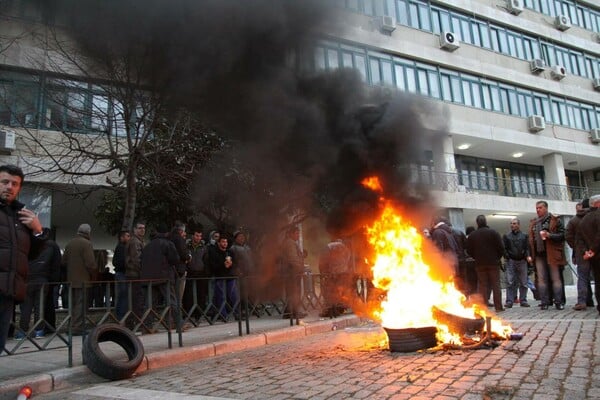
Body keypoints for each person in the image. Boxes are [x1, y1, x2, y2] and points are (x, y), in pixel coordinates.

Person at [0, 164, 48, 351]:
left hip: (8, 292)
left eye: (15, 184)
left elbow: (30, 255)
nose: (9, 187)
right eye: (5, 182)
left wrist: (37, 230)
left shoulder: (20, 217)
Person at [16, 239, 61, 339]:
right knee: (39, 306)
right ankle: (39, 330)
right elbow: (55, 265)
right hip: (42, 279)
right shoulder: (51, 246)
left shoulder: (26, 244)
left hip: (28, 279)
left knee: (26, 307)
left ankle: (22, 331)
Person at [526, 200, 567, 310]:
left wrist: (550, 235)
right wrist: (530, 254)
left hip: (552, 253)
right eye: (537, 208)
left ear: (546, 208)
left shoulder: (554, 220)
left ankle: (558, 301)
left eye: (540, 207)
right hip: (539, 255)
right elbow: (530, 240)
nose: (538, 210)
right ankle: (544, 302)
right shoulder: (534, 223)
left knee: (556, 279)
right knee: (541, 279)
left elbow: (563, 235)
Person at [140, 223, 180, 331]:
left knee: (150, 304)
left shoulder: (148, 245)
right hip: (164, 276)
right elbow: (175, 259)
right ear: (167, 233)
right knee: (171, 301)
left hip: (149, 278)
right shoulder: (168, 243)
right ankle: (178, 324)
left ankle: (147, 327)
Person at [466, 215, 505, 312]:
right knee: (496, 285)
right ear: (486, 222)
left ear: (477, 223)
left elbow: (469, 250)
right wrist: (497, 257)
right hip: (493, 263)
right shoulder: (494, 233)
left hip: (480, 264)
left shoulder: (473, 235)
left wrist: (476, 257)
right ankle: (498, 307)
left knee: (482, 285)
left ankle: (483, 307)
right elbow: (501, 247)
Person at [62, 224, 96, 334]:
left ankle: (71, 325)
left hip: (71, 280)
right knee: (81, 305)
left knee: (73, 304)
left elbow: (64, 261)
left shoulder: (70, 243)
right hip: (83, 280)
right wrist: (93, 275)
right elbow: (90, 263)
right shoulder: (86, 244)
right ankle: (77, 327)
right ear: (88, 232)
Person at [565, 200, 594, 310]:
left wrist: (575, 247)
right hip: (595, 251)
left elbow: (568, 236)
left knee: (582, 277)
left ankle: (582, 301)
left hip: (580, 252)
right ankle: (589, 300)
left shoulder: (574, 220)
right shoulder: (594, 217)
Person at [206, 234, 239, 321]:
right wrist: (223, 265)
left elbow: (236, 264)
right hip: (219, 276)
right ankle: (223, 315)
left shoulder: (230, 252)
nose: (225, 243)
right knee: (220, 297)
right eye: (223, 242)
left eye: (226, 242)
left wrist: (231, 265)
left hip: (230, 276)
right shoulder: (214, 252)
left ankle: (237, 313)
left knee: (233, 295)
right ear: (218, 243)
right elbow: (213, 265)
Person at [318, 238, 352, 317]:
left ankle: (331, 311)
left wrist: (323, 272)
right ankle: (339, 309)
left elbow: (322, 261)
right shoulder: (345, 248)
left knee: (329, 292)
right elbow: (348, 260)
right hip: (342, 273)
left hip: (332, 273)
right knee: (339, 291)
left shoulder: (328, 247)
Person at [578, 194, 600, 315]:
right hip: (596, 252)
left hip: (593, 257)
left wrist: (586, 251)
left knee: (598, 281)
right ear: (597, 204)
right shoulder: (598, 215)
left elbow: (579, 239)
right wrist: (593, 249)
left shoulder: (584, 219)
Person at [279, 226, 307, 319]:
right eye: (296, 233)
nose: (298, 235)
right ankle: (293, 312)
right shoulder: (290, 243)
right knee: (294, 292)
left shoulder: (290, 243)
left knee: (292, 293)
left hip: (291, 272)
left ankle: (290, 312)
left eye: (298, 233)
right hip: (292, 272)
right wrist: (300, 269)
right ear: (291, 234)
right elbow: (293, 259)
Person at [502, 218, 530, 308]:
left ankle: (523, 300)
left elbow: (527, 247)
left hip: (522, 260)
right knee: (510, 281)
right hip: (511, 260)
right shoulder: (507, 236)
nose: (512, 225)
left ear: (518, 225)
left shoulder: (524, 236)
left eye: (514, 223)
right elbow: (504, 248)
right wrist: (507, 256)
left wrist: (527, 256)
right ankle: (509, 300)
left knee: (523, 282)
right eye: (511, 223)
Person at [183, 228, 208, 321]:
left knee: (200, 294)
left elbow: (206, 260)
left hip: (201, 273)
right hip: (190, 272)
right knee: (188, 294)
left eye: (200, 236)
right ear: (193, 236)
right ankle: (188, 313)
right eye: (197, 235)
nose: (198, 238)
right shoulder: (187, 246)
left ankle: (199, 314)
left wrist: (205, 272)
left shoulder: (204, 247)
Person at [229, 231, 255, 315]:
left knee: (250, 292)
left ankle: (251, 308)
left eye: (243, 237)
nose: (242, 238)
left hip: (249, 273)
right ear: (235, 238)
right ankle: (241, 310)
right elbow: (233, 262)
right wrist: (237, 271)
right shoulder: (233, 248)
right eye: (239, 237)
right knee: (241, 293)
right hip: (240, 274)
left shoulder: (247, 248)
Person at [125, 221, 145, 325]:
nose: (142, 230)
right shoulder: (135, 242)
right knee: (136, 300)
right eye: (140, 228)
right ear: (135, 230)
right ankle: (136, 322)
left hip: (134, 273)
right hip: (135, 274)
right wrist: (143, 271)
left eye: (143, 228)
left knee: (135, 299)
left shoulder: (137, 241)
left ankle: (134, 321)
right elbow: (136, 259)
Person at [170, 221, 190, 306]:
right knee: (179, 294)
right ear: (181, 231)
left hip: (171, 269)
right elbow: (183, 254)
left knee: (172, 294)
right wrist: (188, 257)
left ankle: (171, 316)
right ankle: (177, 316)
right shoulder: (179, 239)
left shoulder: (170, 238)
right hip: (179, 269)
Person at [112, 229, 130, 321]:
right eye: (127, 236)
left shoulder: (120, 247)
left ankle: (120, 316)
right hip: (122, 274)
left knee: (122, 295)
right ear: (122, 237)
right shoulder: (122, 248)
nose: (129, 238)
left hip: (120, 273)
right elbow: (120, 262)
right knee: (123, 295)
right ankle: (121, 317)